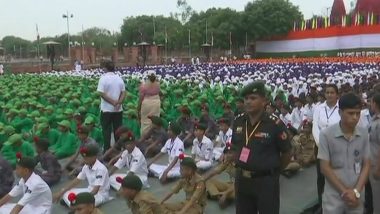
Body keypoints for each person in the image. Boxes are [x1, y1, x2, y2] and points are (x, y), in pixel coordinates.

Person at [232, 81, 292, 214]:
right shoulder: (238, 121)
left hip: (266, 181)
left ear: (264, 101)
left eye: (253, 98)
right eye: (246, 98)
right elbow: (235, 146)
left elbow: (287, 153)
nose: (248, 102)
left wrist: (274, 172)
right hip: (242, 180)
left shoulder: (274, 124)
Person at [318, 92, 370, 214]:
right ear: (340, 112)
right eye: (351, 113)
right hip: (334, 198)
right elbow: (325, 168)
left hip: (356, 197)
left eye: (358, 113)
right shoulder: (326, 135)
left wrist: (356, 191)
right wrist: (345, 192)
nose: (355, 117)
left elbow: (366, 165)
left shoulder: (363, 134)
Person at [312, 84, 341, 210]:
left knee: (336, 176)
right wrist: (320, 143)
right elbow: (315, 127)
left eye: (332, 92)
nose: (329, 95)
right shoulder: (319, 108)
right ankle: (322, 204)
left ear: (337, 94)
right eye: (327, 92)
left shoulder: (341, 108)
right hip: (321, 147)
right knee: (321, 177)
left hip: (337, 147)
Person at [97, 60, 126, 151]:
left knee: (106, 130)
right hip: (118, 110)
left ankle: (107, 149)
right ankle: (118, 148)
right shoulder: (119, 78)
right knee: (118, 130)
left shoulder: (103, 78)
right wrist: (119, 103)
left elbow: (101, 93)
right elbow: (124, 92)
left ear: (105, 68)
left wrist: (113, 102)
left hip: (107, 109)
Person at [204, 143, 236, 209]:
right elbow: (214, 172)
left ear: (236, 154)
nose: (227, 155)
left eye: (230, 153)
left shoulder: (241, 164)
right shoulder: (226, 162)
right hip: (231, 185)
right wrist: (201, 180)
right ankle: (219, 197)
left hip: (240, 187)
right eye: (226, 153)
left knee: (238, 194)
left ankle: (218, 196)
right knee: (208, 181)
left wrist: (226, 194)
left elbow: (238, 183)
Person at [138, 70, 161, 136]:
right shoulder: (158, 84)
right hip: (156, 102)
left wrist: (138, 107)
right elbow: (160, 94)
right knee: (155, 120)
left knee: (145, 121)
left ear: (147, 76)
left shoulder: (144, 85)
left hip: (147, 103)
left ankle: (145, 137)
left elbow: (141, 98)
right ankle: (154, 136)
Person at [368, 92, 380, 214]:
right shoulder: (374, 119)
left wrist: (378, 168)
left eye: (371, 102)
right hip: (372, 163)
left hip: (377, 165)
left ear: (375, 103)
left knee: (378, 200)